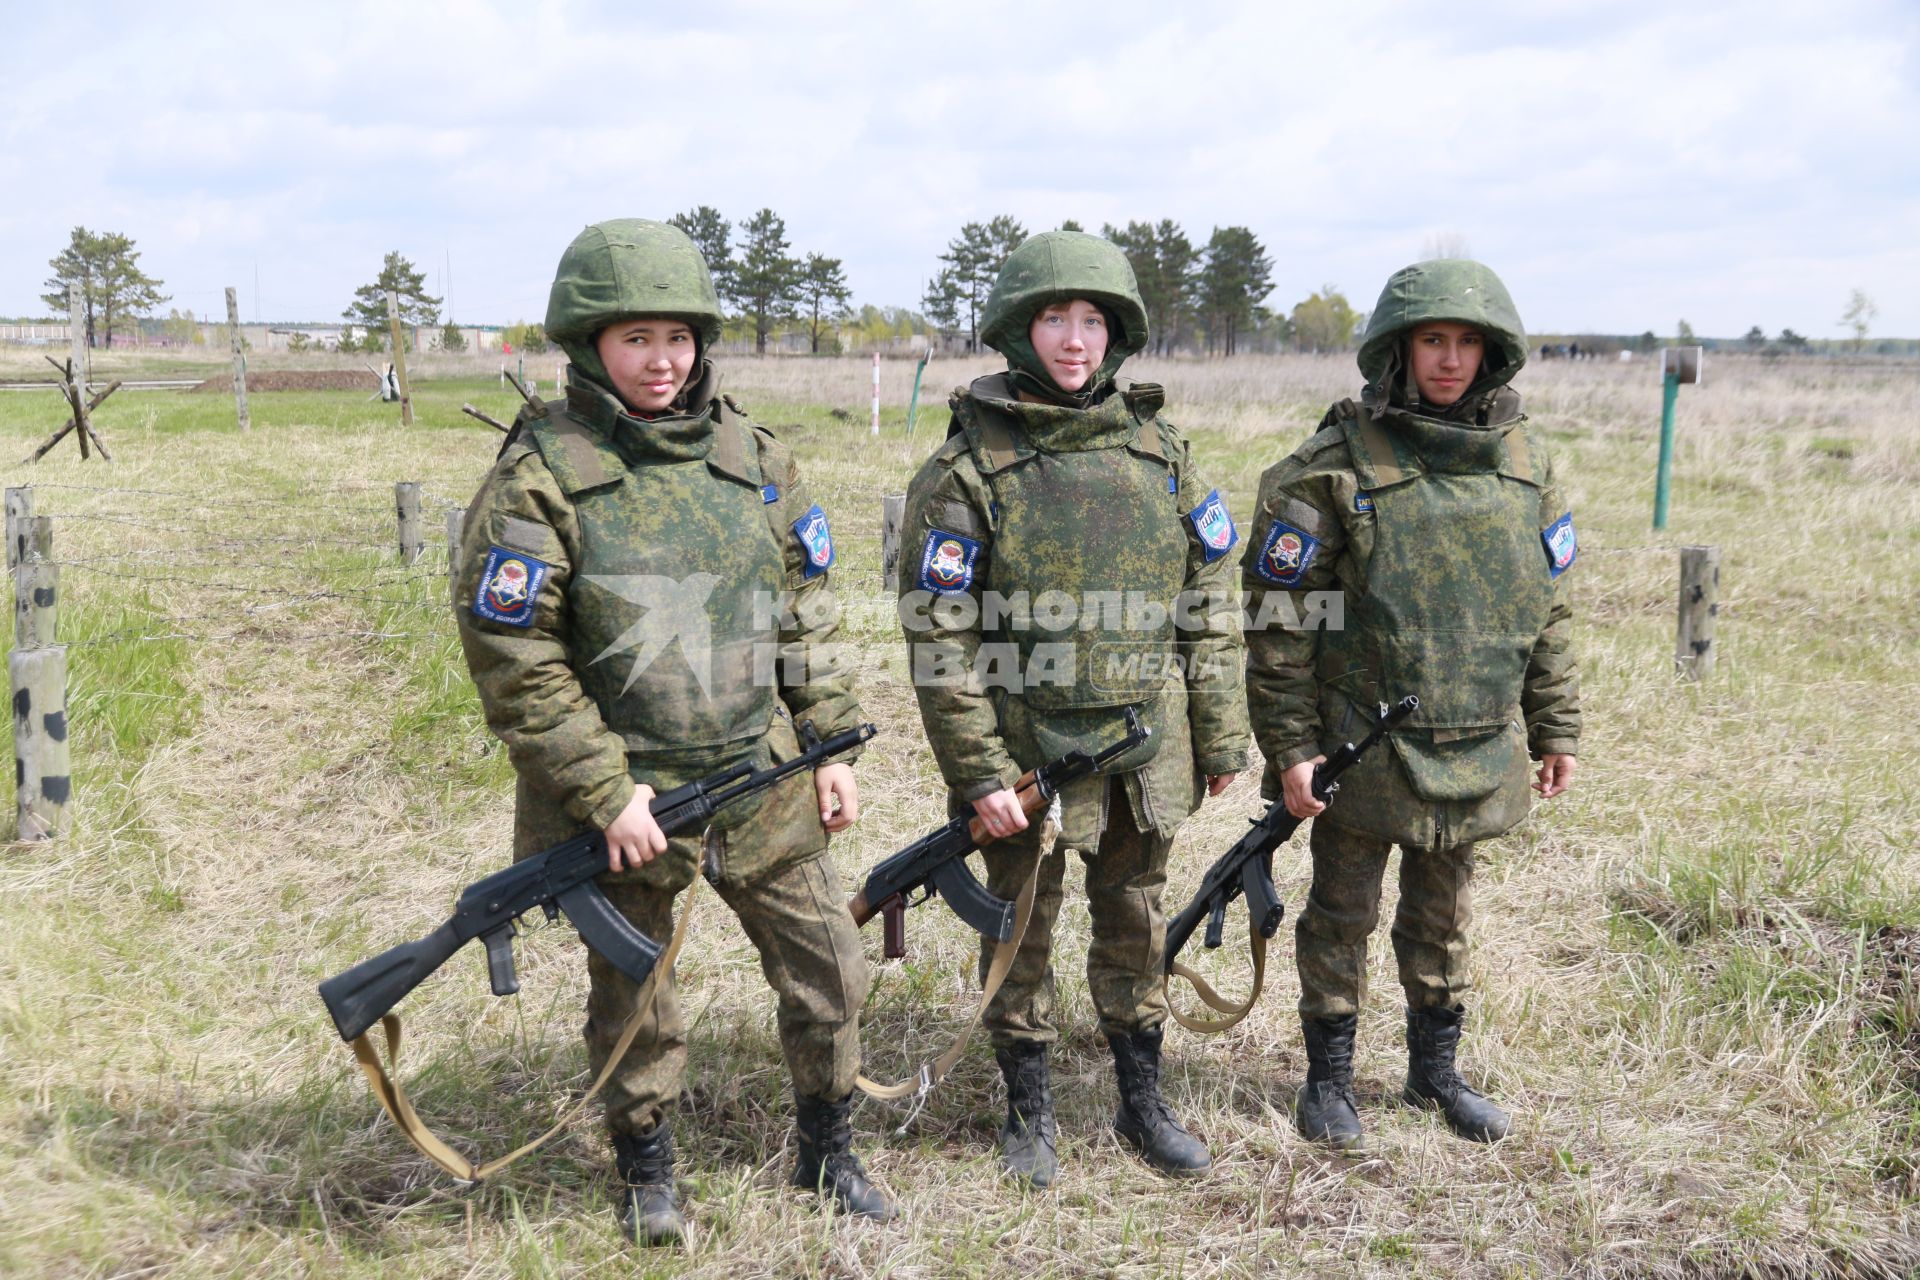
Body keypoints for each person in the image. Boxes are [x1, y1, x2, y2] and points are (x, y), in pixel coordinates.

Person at [454, 219, 892, 1244]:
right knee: (638, 994)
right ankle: (647, 1165)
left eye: (678, 336)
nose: (661, 359)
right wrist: (605, 792)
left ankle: (828, 1147)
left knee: (831, 967)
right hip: (632, 795)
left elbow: (807, 608)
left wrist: (829, 742)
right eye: (635, 336)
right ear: (589, 343)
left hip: (760, 771)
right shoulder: (542, 475)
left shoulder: (756, 459)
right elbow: (516, 658)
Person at [898, 230, 1248, 1188]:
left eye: (1093, 319)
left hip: (1144, 743)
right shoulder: (969, 471)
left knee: (1134, 916)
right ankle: (1029, 1109)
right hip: (1026, 747)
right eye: (1054, 318)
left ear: (1118, 335)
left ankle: (1142, 1097)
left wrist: (1219, 732)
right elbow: (941, 636)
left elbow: (1210, 596)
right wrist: (976, 773)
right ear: (1020, 329)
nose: (1075, 339)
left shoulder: (1161, 454)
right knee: (1021, 928)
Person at [1243, 258, 1580, 1152]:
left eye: (1469, 342)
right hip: (1363, 745)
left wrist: (1556, 725)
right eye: (1433, 339)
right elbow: (1280, 628)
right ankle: (1329, 1080)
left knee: (1445, 915)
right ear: (1397, 349)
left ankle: (1435, 1075)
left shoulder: (1527, 466)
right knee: (1341, 914)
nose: (1450, 359)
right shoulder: (1330, 469)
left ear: (1493, 354)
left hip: (1477, 740)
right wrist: (1291, 747)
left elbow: (1546, 612)